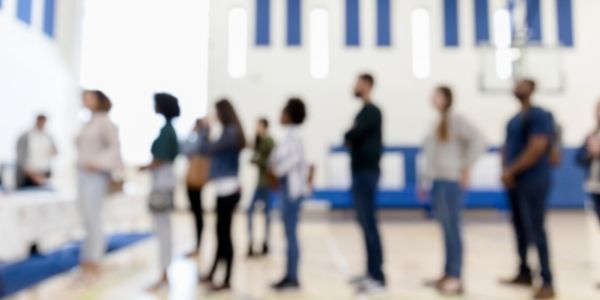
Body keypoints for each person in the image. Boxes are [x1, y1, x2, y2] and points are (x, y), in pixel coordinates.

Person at [418, 86, 486, 295]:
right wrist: (425, 181)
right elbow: (431, 157)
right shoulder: (437, 123)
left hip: (451, 182)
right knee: (445, 229)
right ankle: (447, 273)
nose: (433, 98)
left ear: (446, 99)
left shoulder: (456, 120)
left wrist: (465, 166)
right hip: (438, 181)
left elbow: (479, 140)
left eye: (437, 95)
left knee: (453, 229)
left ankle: (456, 277)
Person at [500, 79, 556, 299]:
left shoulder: (539, 115)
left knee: (536, 229)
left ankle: (548, 281)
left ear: (532, 88)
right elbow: (506, 148)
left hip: (534, 180)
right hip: (515, 182)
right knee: (520, 228)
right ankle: (524, 272)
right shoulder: (513, 120)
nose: (517, 86)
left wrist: (512, 170)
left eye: (523, 84)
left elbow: (537, 147)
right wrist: (506, 172)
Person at [344, 73, 386, 295]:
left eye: (357, 82)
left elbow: (352, 134)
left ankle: (378, 277)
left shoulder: (372, 112)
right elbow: (349, 136)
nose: (354, 86)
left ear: (367, 85)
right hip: (360, 173)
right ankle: (370, 272)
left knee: (369, 223)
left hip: (367, 174)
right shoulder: (363, 112)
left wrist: (351, 134)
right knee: (364, 222)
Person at [198, 99, 246, 291]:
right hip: (224, 188)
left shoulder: (230, 132)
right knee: (220, 234)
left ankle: (226, 279)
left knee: (224, 235)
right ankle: (214, 273)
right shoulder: (229, 131)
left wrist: (204, 129)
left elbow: (206, 149)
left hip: (228, 189)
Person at [76, 90, 123, 279]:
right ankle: (87, 256)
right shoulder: (88, 123)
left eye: (89, 98)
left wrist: (97, 163)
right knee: (87, 217)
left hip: (95, 175)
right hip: (82, 174)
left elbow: (114, 148)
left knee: (94, 217)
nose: (85, 101)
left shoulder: (105, 123)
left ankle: (94, 258)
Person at [139, 93, 180, 289]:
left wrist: (143, 167)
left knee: (163, 230)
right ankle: (164, 272)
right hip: (165, 182)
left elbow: (160, 159)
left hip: (162, 184)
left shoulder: (166, 131)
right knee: (164, 229)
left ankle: (164, 274)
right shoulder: (169, 130)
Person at [269, 99, 309, 290]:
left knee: (291, 234)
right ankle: (289, 273)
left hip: (292, 192)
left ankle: (292, 276)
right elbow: (276, 158)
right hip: (287, 189)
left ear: (289, 114)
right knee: (288, 234)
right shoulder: (288, 135)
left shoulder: (296, 136)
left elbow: (292, 160)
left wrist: (276, 171)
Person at [247, 118, 276, 257]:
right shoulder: (259, 142)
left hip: (267, 184)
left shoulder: (270, 142)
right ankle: (251, 241)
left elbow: (269, 160)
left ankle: (266, 242)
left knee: (267, 215)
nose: (256, 128)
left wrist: (258, 160)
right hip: (260, 183)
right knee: (250, 211)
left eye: (258, 125)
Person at [181, 119, 210, 258]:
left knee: (198, 214)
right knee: (197, 213)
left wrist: (193, 132)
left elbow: (185, 149)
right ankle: (198, 245)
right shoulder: (201, 141)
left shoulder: (201, 142)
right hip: (194, 180)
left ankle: (198, 246)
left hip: (196, 181)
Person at [15, 114, 58, 189]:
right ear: (36, 121)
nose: (42, 124)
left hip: (44, 173)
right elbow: (20, 158)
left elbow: (56, 151)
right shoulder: (25, 136)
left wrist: (53, 152)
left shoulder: (48, 137)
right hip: (29, 174)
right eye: (40, 122)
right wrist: (33, 175)